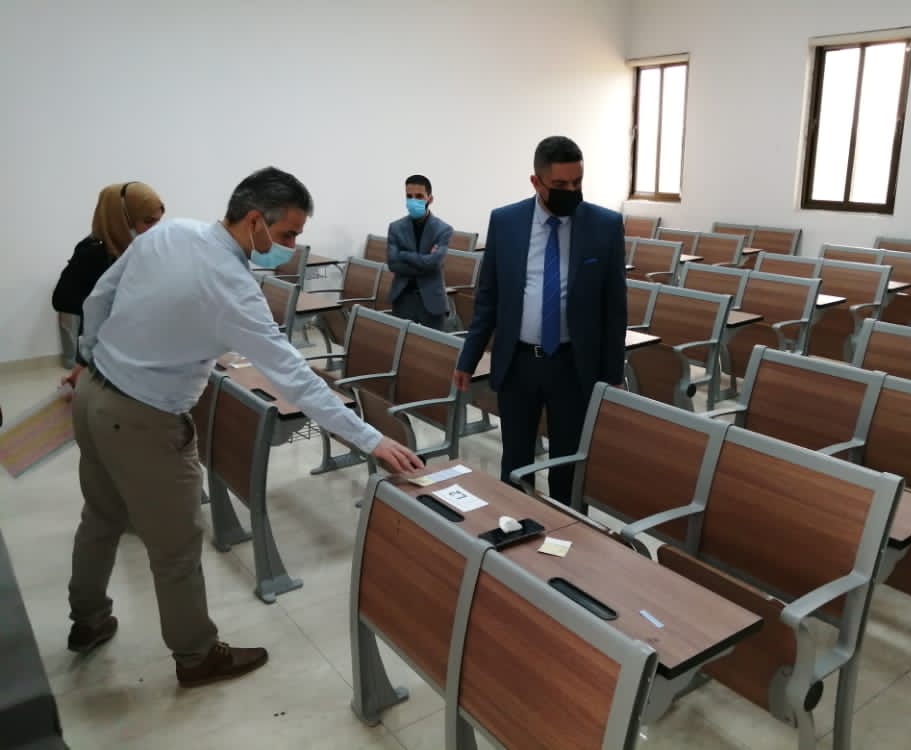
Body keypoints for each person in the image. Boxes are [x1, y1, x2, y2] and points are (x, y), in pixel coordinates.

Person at [67, 167, 423, 687]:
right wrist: (371, 439)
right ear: (254, 220)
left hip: (93, 396)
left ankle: (88, 620)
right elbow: (295, 379)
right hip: (143, 421)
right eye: (287, 235)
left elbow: (99, 297)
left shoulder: (171, 232)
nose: (291, 247)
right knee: (175, 548)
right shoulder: (232, 287)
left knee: (100, 516)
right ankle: (196, 656)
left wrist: (88, 356)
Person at [453, 136, 627, 503]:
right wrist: (468, 359)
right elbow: (488, 298)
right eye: (560, 184)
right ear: (536, 181)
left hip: (573, 366)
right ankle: (517, 528)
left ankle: (569, 532)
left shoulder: (605, 225)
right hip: (519, 363)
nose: (571, 191)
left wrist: (613, 376)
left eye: (577, 182)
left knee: (569, 466)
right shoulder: (506, 222)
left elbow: (614, 308)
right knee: (515, 463)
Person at [52, 182, 165, 387]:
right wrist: (108, 305)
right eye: (148, 221)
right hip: (100, 348)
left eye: (158, 222)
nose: (154, 229)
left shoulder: (138, 249)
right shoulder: (93, 251)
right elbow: (61, 298)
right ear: (122, 219)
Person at [386, 174, 453, 330]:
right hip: (403, 298)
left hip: (432, 300)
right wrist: (425, 260)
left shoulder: (443, 229)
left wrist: (404, 255)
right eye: (409, 196)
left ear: (430, 199)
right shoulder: (395, 228)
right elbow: (393, 264)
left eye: (419, 196)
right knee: (401, 344)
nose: (413, 200)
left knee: (434, 344)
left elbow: (434, 264)